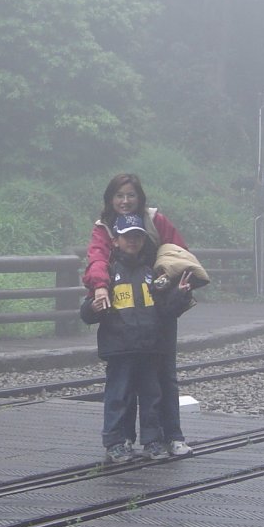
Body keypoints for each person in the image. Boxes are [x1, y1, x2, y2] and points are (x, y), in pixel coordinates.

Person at [83, 174, 194, 456]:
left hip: (157, 304)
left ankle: (170, 436)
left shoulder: (155, 220)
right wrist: (99, 288)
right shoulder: (104, 228)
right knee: (126, 383)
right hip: (122, 320)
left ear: (140, 198)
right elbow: (96, 259)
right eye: (119, 195)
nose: (125, 201)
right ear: (110, 199)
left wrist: (175, 286)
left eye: (131, 195)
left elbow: (179, 252)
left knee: (163, 377)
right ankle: (124, 439)